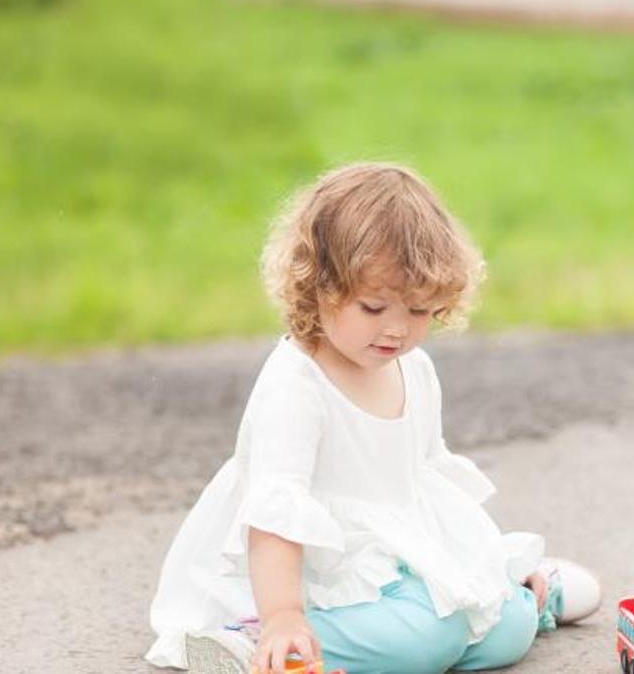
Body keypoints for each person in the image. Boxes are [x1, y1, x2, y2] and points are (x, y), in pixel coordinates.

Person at [145, 163, 601, 674]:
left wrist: (486, 561)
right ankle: (251, 641)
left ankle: (526, 594)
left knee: (501, 635)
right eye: (374, 307)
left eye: (420, 311)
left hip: (394, 558)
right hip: (308, 575)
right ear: (318, 284)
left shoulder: (414, 369)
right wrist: (283, 615)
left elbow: (430, 491)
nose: (397, 331)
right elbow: (274, 517)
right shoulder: (296, 387)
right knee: (426, 640)